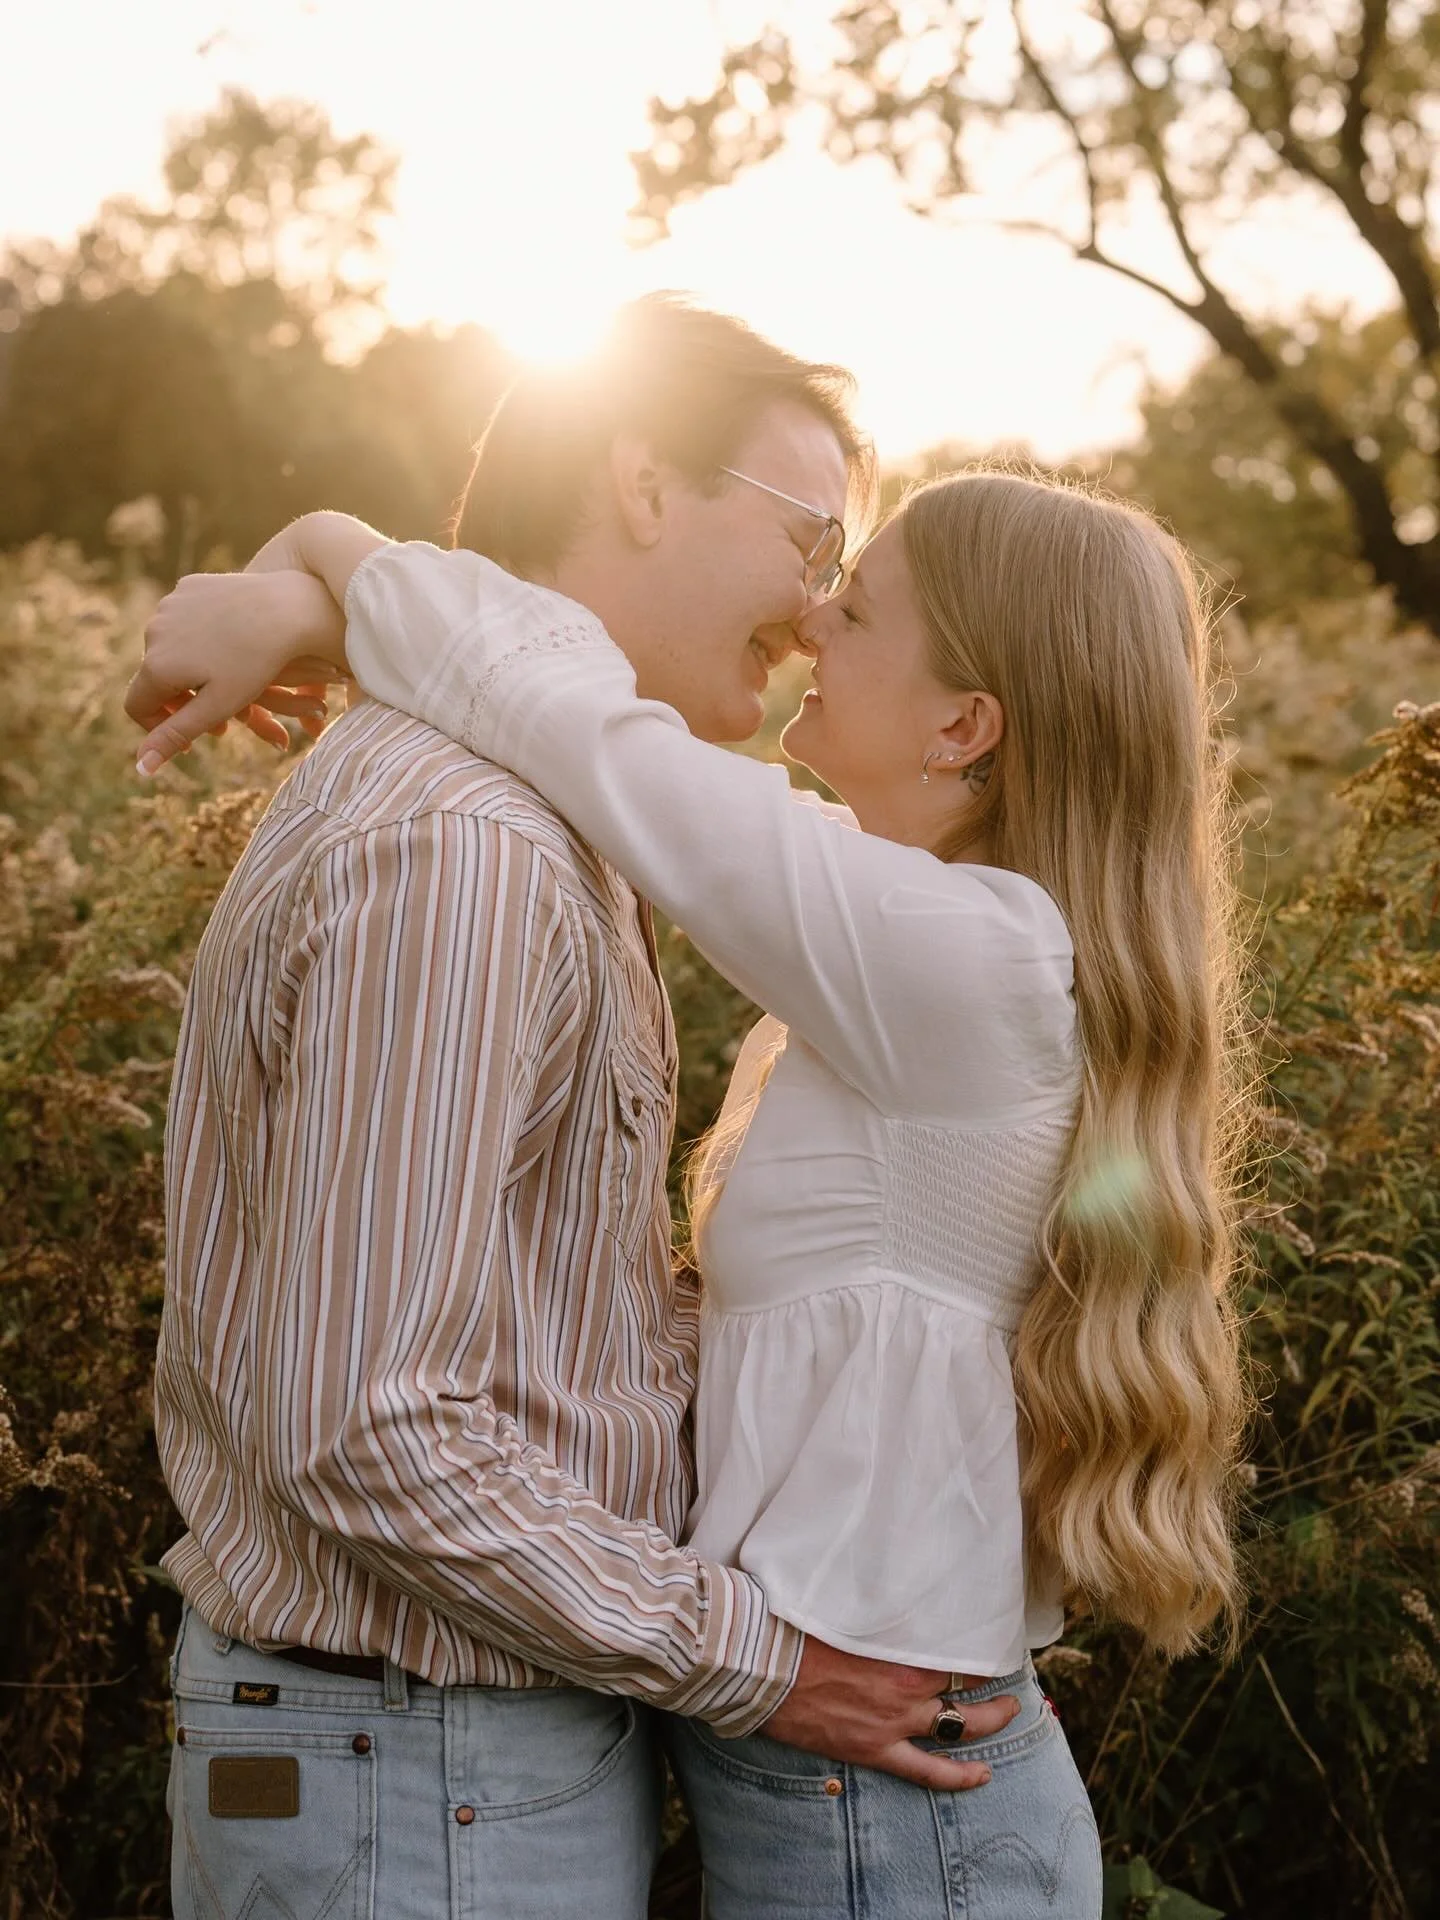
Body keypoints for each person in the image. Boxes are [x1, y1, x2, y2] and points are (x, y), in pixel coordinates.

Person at [133, 455, 1252, 1918]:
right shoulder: (916, 936)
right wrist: (312, 589)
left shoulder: (949, 952)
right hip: (845, 1783)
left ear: (966, 724)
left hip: (888, 1805)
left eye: (852, 603)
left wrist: (325, 556)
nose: (807, 621)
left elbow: (586, 732)